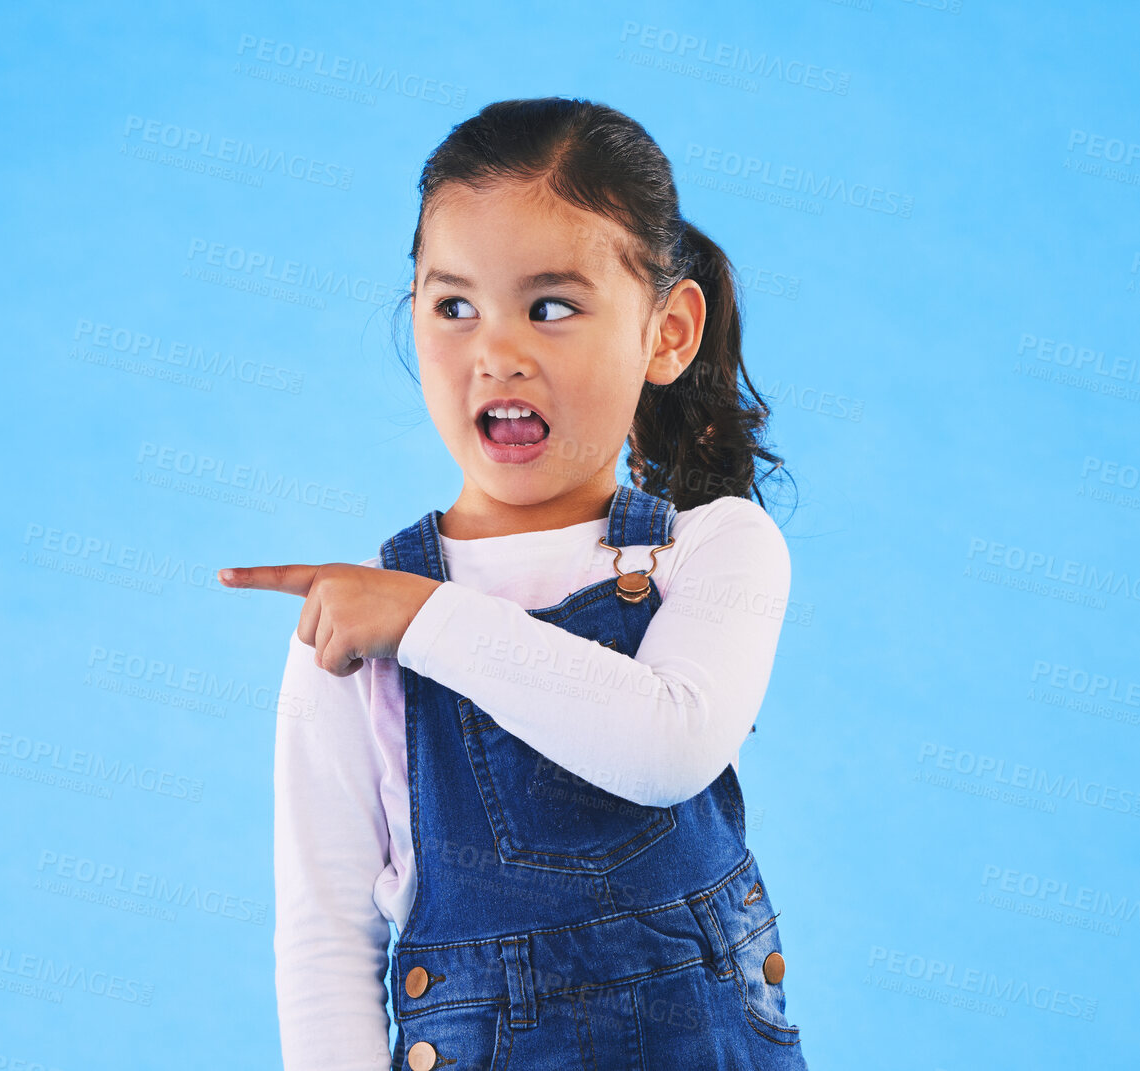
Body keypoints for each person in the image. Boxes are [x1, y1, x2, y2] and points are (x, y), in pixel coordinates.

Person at [220, 97, 809, 1070]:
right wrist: (399, 615)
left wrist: (423, 618)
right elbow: (325, 945)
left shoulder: (713, 552)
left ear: (667, 332)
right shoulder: (350, 629)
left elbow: (662, 745)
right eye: (453, 306)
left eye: (550, 307)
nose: (496, 351)